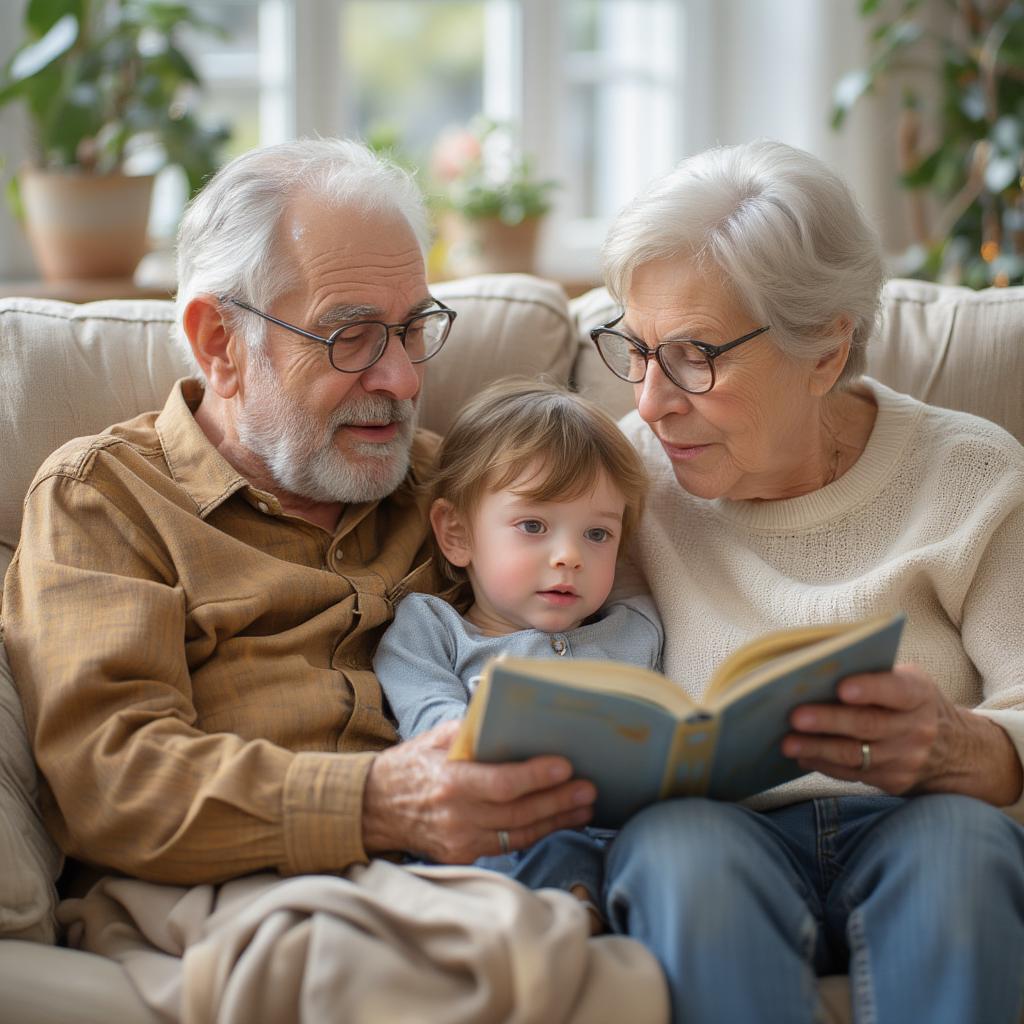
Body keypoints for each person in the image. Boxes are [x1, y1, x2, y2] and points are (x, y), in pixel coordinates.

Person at [2, 138, 598, 890]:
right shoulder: (104, 500)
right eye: (351, 338)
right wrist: (380, 803)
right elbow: (113, 781)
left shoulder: (458, 491)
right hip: (234, 899)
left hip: (476, 880)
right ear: (220, 343)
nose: (405, 378)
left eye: (414, 328)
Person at [589, 139, 1024, 1023]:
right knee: (677, 851)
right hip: (717, 830)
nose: (650, 401)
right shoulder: (623, 476)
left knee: (962, 853)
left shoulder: (970, 475)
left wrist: (961, 744)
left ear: (825, 352)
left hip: (922, 819)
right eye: (634, 350)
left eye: (694, 356)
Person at [373, 378, 662, 915]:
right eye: (534, 525)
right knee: (534, 844)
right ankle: (568, 919)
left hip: (625, 842)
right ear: (457, 534)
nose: (569, 556)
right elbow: (435, 726)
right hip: (499, 833)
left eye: (597, 534)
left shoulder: (635, 629)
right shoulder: (431, 628)